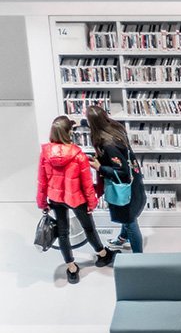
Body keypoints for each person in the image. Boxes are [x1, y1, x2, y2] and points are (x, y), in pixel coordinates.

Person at [36, 116, 118, 283]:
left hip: (56, 198)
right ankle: (103, 255)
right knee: (89, 228)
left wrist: (42, 202)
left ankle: (71, 268)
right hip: (76, 198)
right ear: (68, 133)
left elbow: (42, 181)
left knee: (63, 233)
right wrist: (92, 203)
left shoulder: (45, 154)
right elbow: (87, 184)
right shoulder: (78, 155)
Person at [86, 105, 146, 252]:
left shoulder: (108, 144)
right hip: (134, 179)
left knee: (130, 220)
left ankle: (139, 257)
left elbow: (122, 171)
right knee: (126, 214)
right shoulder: (115, 127)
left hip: (123, 185)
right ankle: (121, 239)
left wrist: (100, 167)